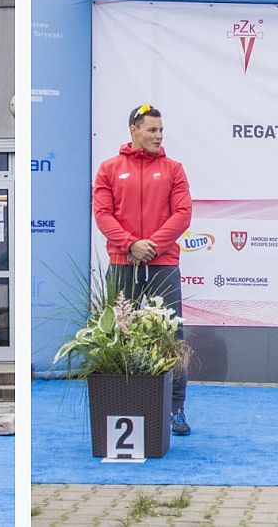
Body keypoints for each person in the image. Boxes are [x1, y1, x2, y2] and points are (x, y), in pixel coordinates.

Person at [93, 104, 194, 435]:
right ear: (133, 130)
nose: (158, 136)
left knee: (171, 338)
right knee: (118, 334)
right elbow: (103, 214)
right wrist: (129, 244)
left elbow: (182, 213)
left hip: (162, 265)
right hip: (123, 264)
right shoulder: (109, 169)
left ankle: (175, 408)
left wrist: (151, 245)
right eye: (152, 130)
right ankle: (123, 403)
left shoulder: (173, 169)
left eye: (161, 131)